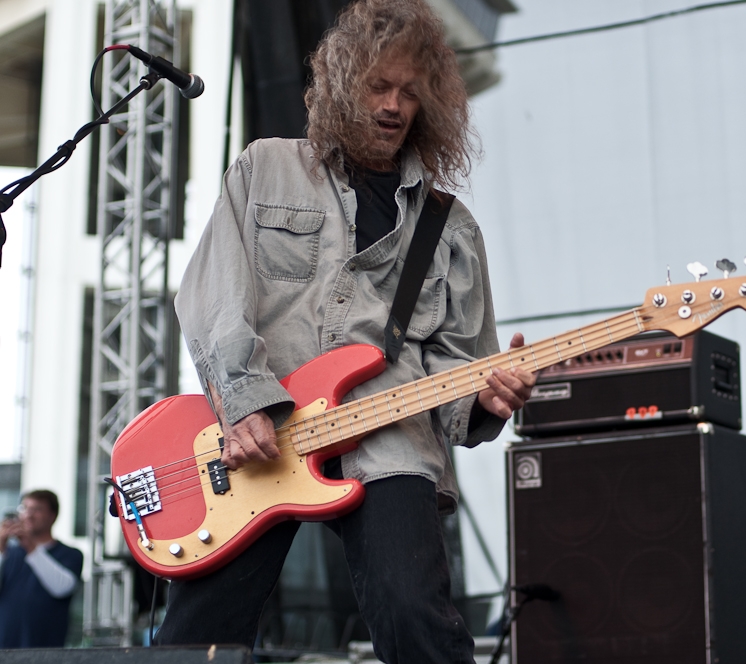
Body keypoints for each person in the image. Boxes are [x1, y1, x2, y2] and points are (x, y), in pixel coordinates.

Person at [155, 1, 534, 661]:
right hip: (261, 437)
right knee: (199, 635)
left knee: (415, 612)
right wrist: (242, 399)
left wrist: (483, 398)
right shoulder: (264, 168)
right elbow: (213, 295)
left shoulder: (450, 227)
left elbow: (454, 362)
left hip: (388, 438)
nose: (394, 105)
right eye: (377, 87)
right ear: (338, 86)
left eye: (410, 93)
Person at [0, 490, 83, 648]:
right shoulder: (9, 554)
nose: (28, 515)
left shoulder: (70, 554)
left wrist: (30, 547)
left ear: (53, 516)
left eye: (37, 509)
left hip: (46, 651)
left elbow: (62, 588)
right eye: (24, 508)